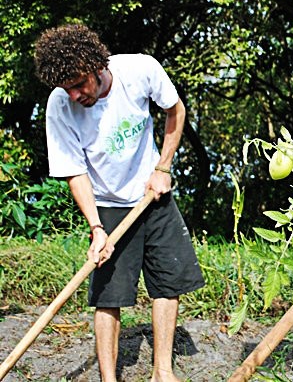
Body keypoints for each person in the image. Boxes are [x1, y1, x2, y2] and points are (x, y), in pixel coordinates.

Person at [34, 23, 205, 382]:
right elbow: (73, 170)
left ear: (97, 64)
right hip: (106, 203)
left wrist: (163, 167)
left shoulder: (140, 70)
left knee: (167, 282)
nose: (77, 94)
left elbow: (176, 111)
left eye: (81, 83)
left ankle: (162, 372)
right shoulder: (59, 105)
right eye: (68, 89)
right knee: (108, 295)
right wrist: (96, 227)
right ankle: (109, 379)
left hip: (152, 193)